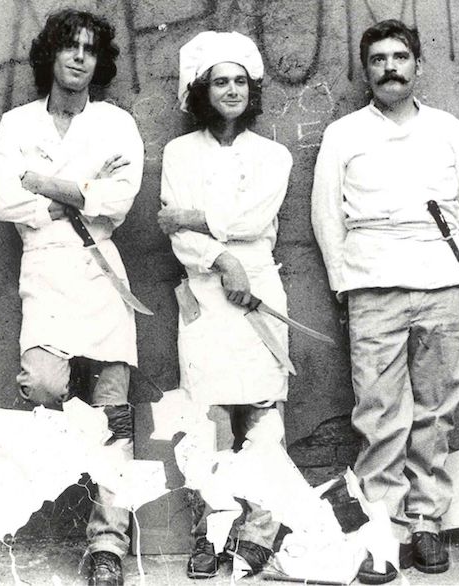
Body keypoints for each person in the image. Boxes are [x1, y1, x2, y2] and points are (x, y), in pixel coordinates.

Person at [310, 19, 459, 585]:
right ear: (366, 71)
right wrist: (347, 282)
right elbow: (326, 217)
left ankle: (428, 523)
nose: (390, 67)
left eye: (400, 57)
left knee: (435, 411)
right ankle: (382, 532)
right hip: (371, 288)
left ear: (417, 64)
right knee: (379, 415)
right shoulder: (344, 134)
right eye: (379, 59)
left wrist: (435, 250)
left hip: (440, 286)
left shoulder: (446, 129)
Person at [0, 9, 144, 586]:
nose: (79, 57)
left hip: (101, 271)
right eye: (69, 48)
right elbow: (6, 201)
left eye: (89, 50)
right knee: (45, 385)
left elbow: (119, 201)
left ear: (100, 62)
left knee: (114, 415)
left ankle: (107, 544)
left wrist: (45, 185)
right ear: (50, 57)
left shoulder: (116, 124)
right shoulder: (17, 123)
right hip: (48, 271)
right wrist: (80, 190)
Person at [156, 31, 293, 580]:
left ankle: (260, 531)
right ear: (201, 91)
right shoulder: (177, 153)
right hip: (204, 294)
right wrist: (220, 259)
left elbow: (254, 221)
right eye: (220, 82)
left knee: (262, 413)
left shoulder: (273, 156)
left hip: (258, 288)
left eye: (240, 81)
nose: (231, 90)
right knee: (206, 417)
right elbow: (175, 233)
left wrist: (195, 217)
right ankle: (210, 534)